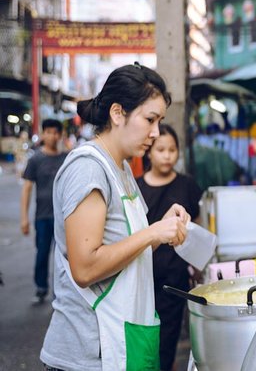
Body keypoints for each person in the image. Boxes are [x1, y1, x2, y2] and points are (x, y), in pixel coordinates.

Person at [41, 63, 190, 371]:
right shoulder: (88, 168)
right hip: (86, 356)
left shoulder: (120, 168)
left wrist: (163, 228)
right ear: (118, 113)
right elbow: (85, 267)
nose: (155, 132)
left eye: (159, 121)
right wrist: (152, 233)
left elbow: (126, 250)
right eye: (150, 119)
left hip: (121, 341)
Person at [137, 123, 203, 371]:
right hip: (142, 274)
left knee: (168, 338)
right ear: (149, 152)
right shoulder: (136, 187)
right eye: (161, 149)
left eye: (172, 150)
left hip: (174, 278)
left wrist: (197, 266)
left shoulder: (187, 185)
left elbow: (196, 224)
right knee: (143, 338)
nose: (167, 155)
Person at [20, 118, 68, 304]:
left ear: (60, 135)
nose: (52, 136)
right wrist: (24, 218)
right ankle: (41, 287)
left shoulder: (66, 158)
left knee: (63, 258)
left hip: (63, 218)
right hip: (42, 217)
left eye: (56, 132)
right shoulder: (35, 160)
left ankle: (61, 292)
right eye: (48, 132)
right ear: (43, 134)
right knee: (42, 254)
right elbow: (26, 189)